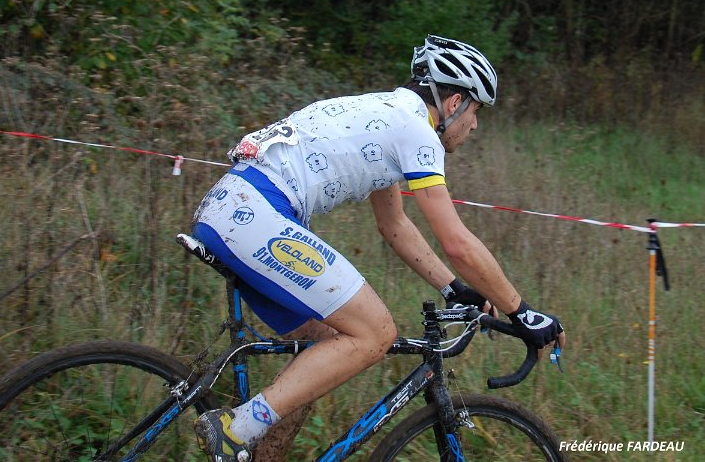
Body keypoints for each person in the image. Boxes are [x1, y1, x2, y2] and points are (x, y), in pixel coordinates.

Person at [190, 34, 565, 461]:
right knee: (376, 332)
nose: (475, 125)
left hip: (236, 208)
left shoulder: (385, 114)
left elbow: (394, 225)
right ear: (455, 102)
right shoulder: (416, 132)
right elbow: (457, 242)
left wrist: (454, 288)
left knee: (320, 348)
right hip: (255, 214)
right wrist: (522, 312)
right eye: (476, 111)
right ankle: (235, 428)